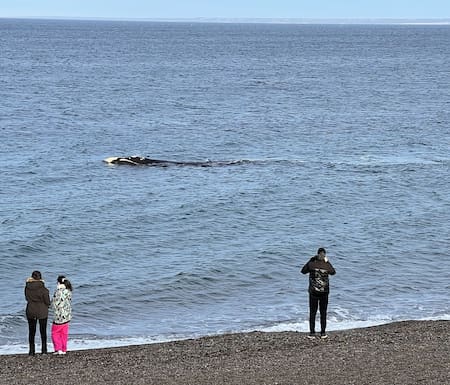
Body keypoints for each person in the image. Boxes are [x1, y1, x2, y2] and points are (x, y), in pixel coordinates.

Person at [301, 247, 336, 339]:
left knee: (313, 312)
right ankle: (323, 333)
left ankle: (312, 333)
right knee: (323, 312)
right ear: (324, 255)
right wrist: (327, 262)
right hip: (324, 292)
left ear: (317, 254)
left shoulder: (312, 263)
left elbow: (303, 271)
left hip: (313, 292)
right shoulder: (326, 265)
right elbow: (333, 272)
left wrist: (310, 260)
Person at [25, 270, 51, 355]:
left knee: (31, 332)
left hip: (30, 310)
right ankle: (44, 350)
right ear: (40, 278)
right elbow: (47, 302)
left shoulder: (27, 287)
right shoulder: (44, 289)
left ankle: (31, 351)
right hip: (42, 311)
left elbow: (26, 298)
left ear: (32, 277)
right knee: (43, 331)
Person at [51, 275, 73, 355]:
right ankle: (64, 349)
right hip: (67, 315)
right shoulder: (68, 291)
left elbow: (54, 304)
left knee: (55, 332)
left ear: (58, 282)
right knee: (64, 333)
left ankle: (58, 349)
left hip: (59, 315)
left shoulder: (58, 291)